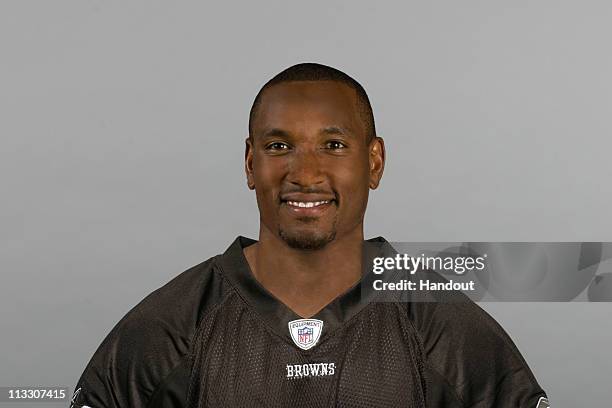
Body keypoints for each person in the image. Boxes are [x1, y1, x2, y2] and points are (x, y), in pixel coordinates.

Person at [71, 63, 549, 408]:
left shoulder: (439, 327)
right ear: (249, 163)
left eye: (333, 145)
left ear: (374, 161)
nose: (305, 172)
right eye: (279, 146)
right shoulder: (173, 327)